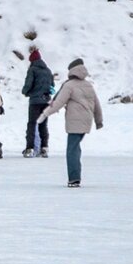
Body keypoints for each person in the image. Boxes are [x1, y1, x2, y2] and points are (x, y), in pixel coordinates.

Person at [37, 58, 103, 187]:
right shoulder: (88, 85)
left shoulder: (69, 85)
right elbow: (97, 104)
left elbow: (58, 103)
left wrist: (45, 114)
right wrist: (98, 121)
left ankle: (74, 178)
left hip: (75, 121)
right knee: (75, 147)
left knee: (72, 149)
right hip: (86, 120)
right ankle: (75, 176)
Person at [22, 47, 54, 157]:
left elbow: (28, 84)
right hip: (46, 101)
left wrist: (25, 92)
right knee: (43, 124)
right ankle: (44, 148)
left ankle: (30, 148)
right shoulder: (48, 70)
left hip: (35, 101)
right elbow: (52, 85)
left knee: (32, 124)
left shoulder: (32, 70)